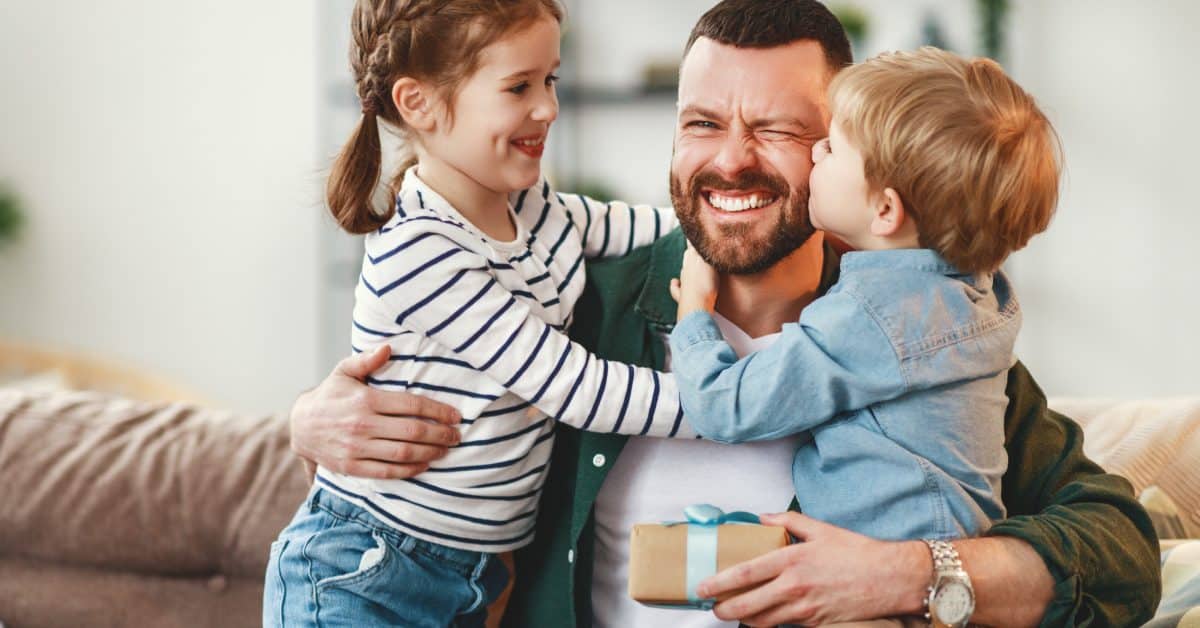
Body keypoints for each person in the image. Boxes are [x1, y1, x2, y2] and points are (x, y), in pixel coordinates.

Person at [288, 1, 1162, 626]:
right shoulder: (582, 307)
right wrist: (308, 421)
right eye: (702, 122)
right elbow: (410, 463)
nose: (732, 161)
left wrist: (904, 575)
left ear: (854, 157)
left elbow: (1120, 551)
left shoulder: (921, 334)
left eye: (781, 130)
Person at [262, 0, 702, 625]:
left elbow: (631, 227)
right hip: (368, 573)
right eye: (518, 86)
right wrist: (725, 401)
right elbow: (571, 385)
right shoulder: (420, 250)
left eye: (549, 78)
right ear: (420, 104)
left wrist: (722, 216)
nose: (547, 106)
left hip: (470, 575)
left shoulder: (529, 203)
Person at [668, 45, 1060, 547]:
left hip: (881, 580)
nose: (815, 153)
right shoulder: (976, 298)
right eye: (703, 123)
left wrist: (694, 314)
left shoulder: (872, 316)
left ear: (885, 211)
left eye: (830, 147)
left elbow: (726, 406)